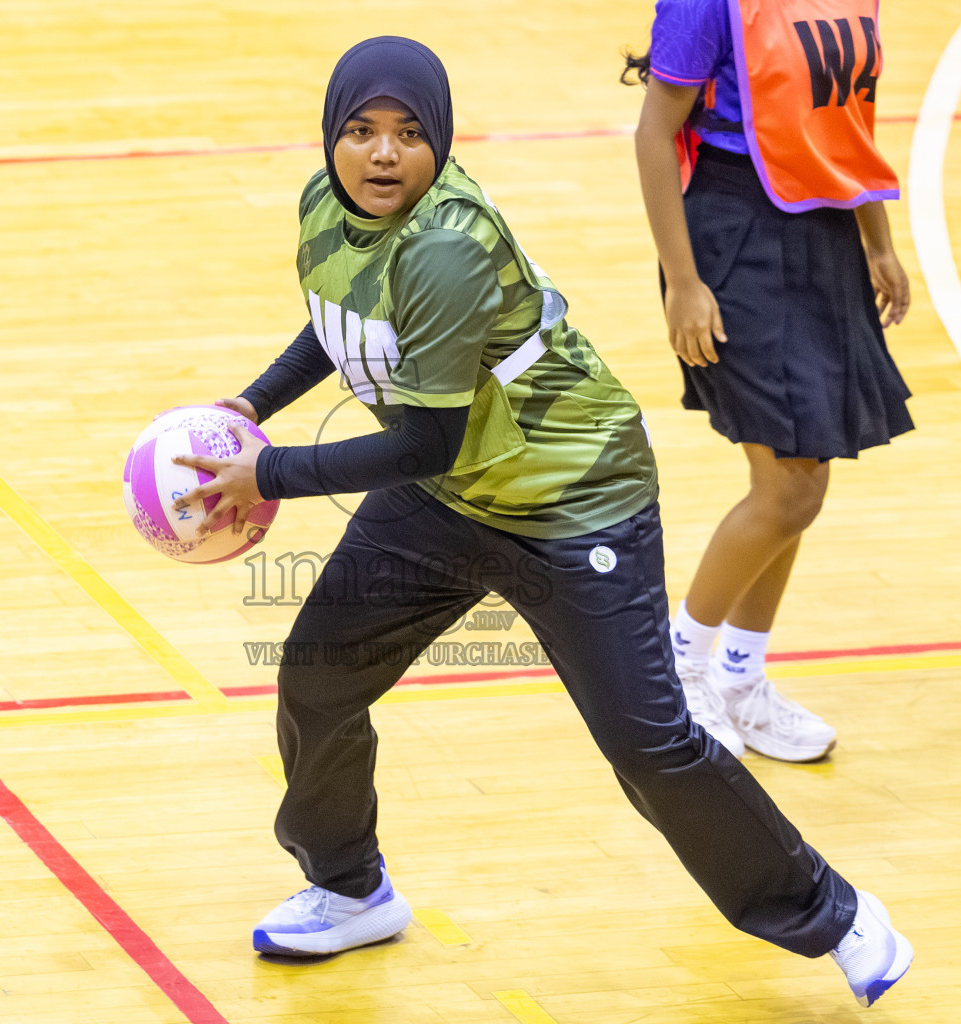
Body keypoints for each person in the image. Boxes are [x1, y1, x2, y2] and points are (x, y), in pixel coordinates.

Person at [168, 35, 911, 1007]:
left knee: (651, 750)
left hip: (571, 498)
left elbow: (420, 445)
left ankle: (836, 911)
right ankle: (349, 888)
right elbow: (341, 315)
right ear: (331, 140)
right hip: (450, 491)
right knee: (316, 678)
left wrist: (263, 472)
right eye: (360, 132)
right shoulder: (326, 207)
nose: (382, 154)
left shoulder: (444, 245)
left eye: (405, 134)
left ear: (437, 140)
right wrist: (247, 405)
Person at [624, 0, 913, 761]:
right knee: (786, 484)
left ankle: (740, 680)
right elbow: (654, 135)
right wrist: (683, 282)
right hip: (732, 230)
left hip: (822, 226)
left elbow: (845, 117)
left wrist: (877, 237)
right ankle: (677, 671)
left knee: (805, 481)